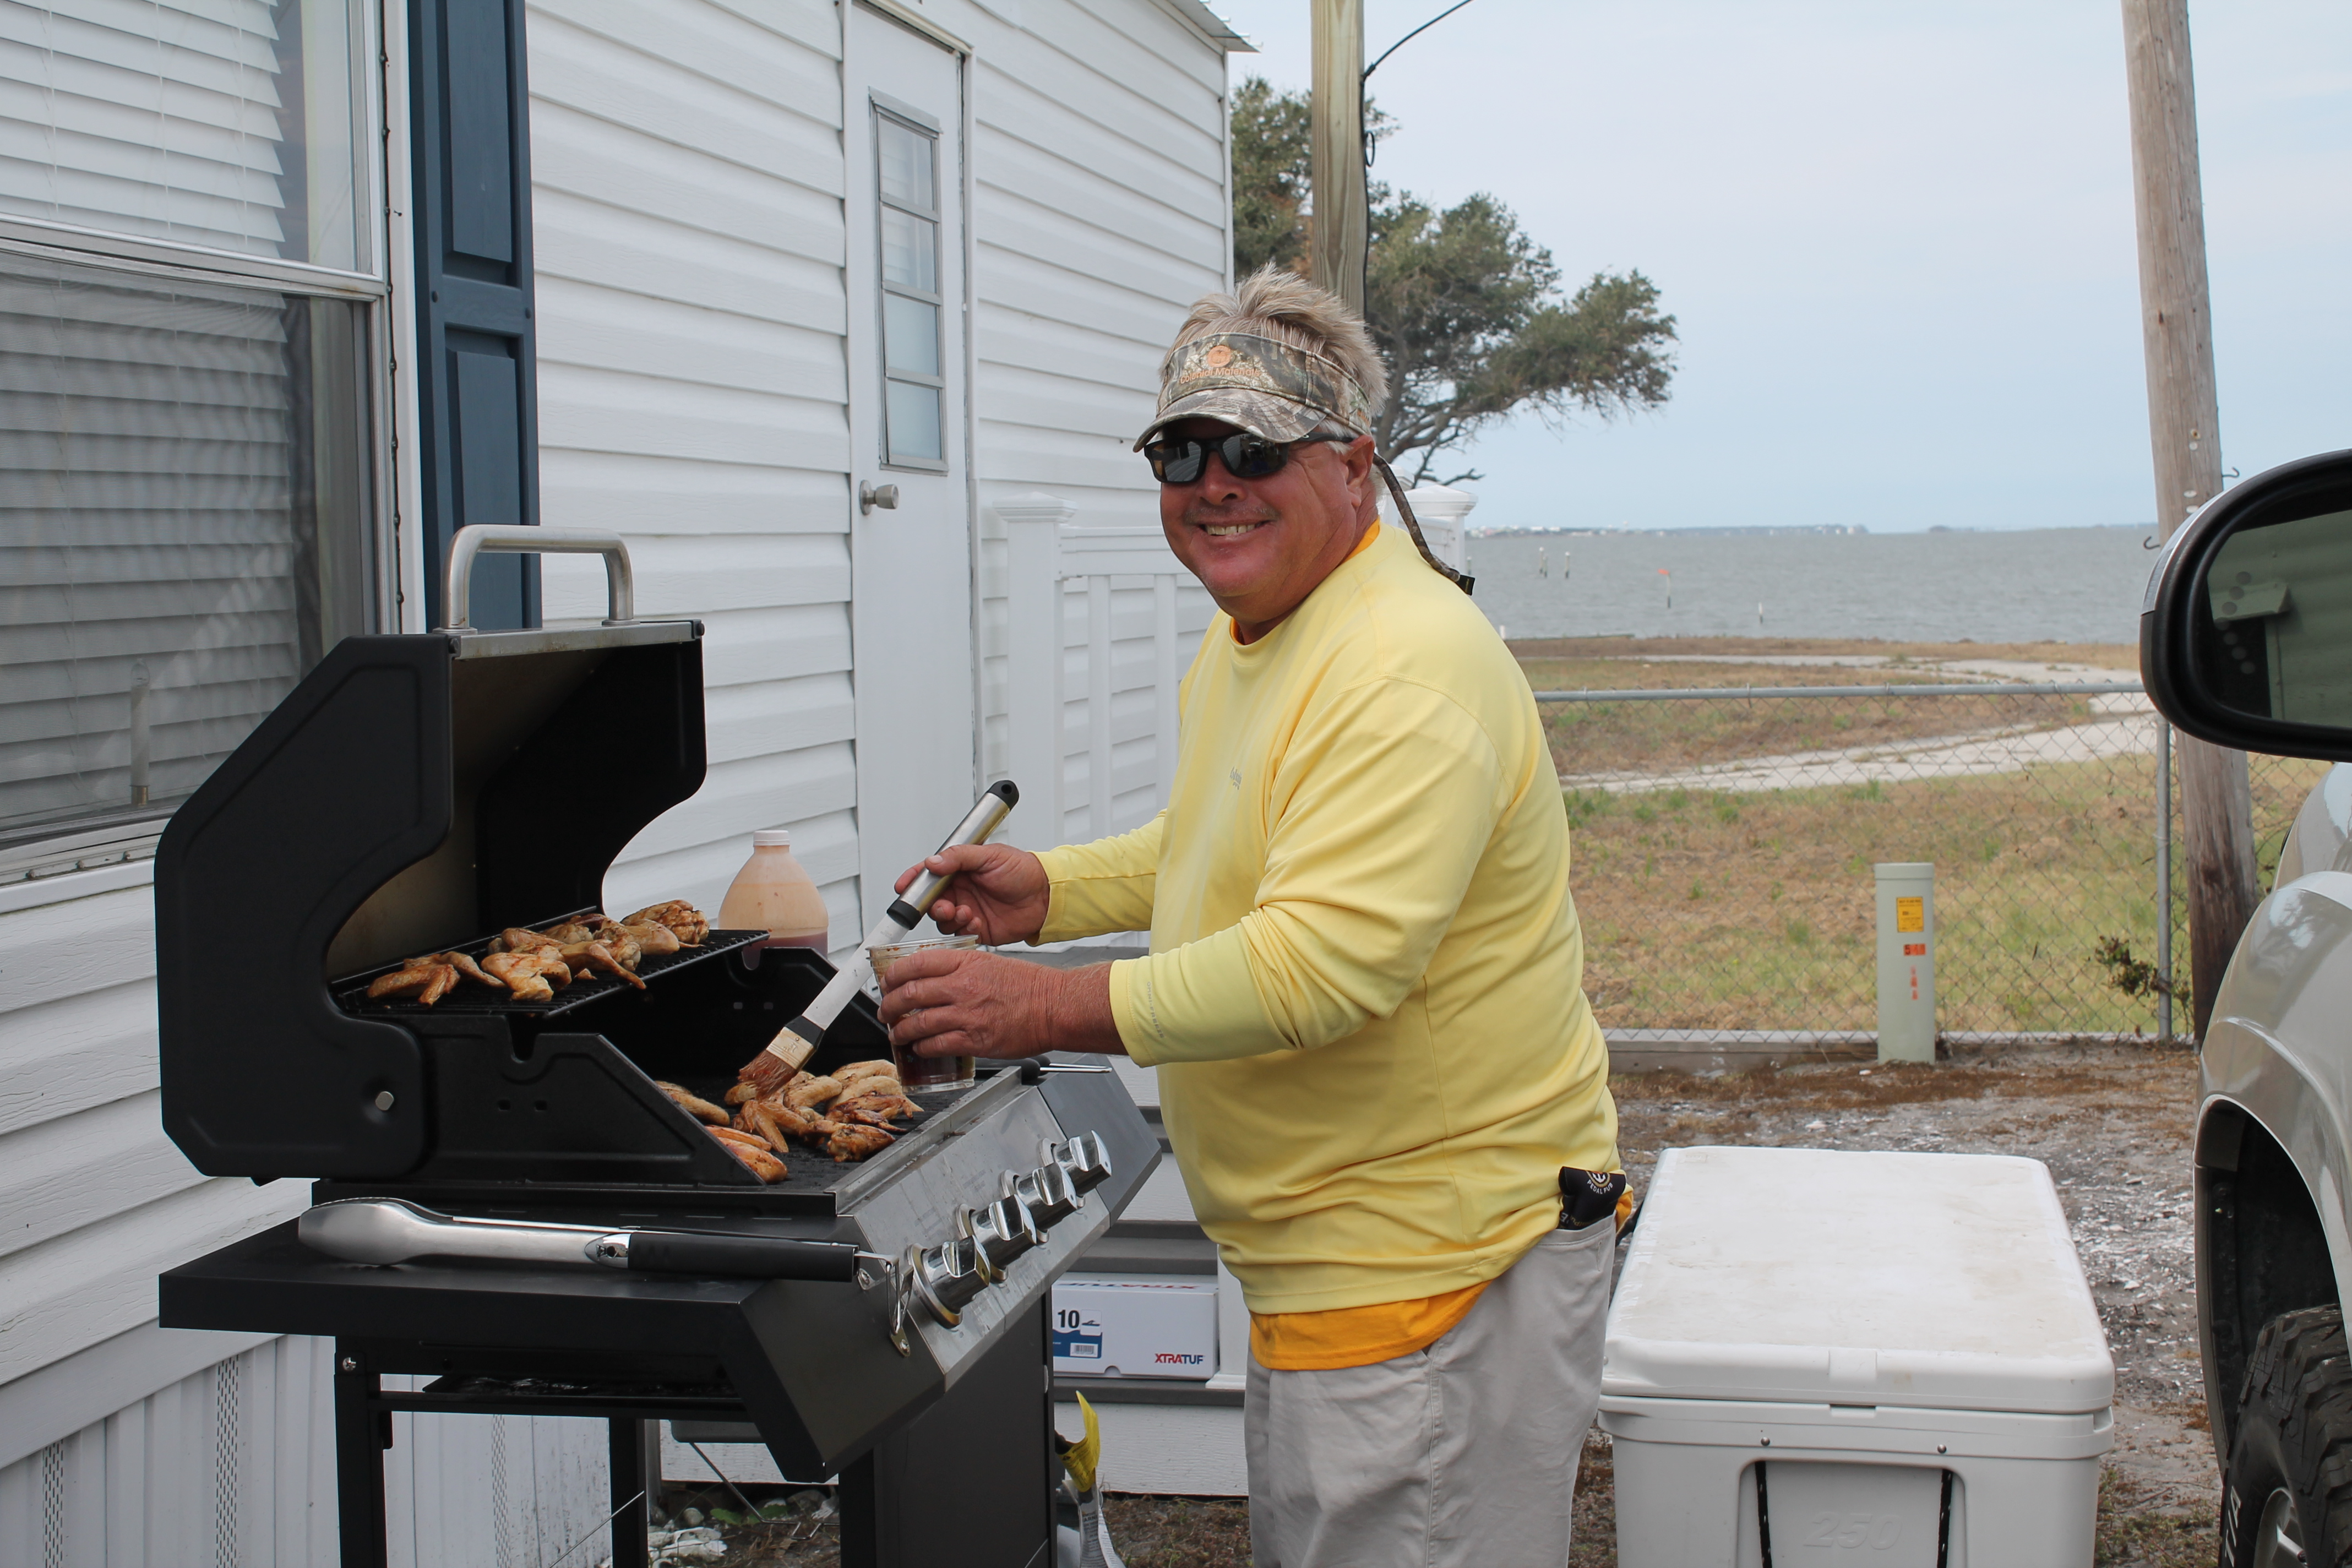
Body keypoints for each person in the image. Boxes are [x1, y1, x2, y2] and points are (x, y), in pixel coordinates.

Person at [877, 266, 1621, 1568]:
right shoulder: (1269, 633)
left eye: (1255, 449)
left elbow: (1320, 966)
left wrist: (1043, 1003)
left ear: (1354, 464)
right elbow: (1227, 839)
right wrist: (1056, 889)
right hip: (1341, 1269)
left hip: (1433, 1271)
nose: (1214, 482)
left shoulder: (1403, 666)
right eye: (1181, 452)